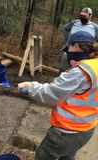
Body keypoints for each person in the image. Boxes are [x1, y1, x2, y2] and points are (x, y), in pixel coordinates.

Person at [18, 31, 98, 160]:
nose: (67, 53)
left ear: (76, 46)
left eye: (68, 49)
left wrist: (30, 86)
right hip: (87, 128)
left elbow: (51, 94)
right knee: (67, 156)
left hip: (66, 132)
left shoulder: (80, 72)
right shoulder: (95, 66)